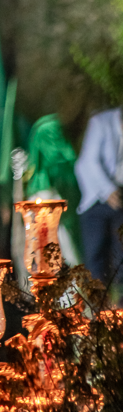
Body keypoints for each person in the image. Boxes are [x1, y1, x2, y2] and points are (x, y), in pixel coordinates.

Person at [75, 106, 123, 294]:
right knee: (95, 253)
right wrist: (108, 190)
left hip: (120, 198)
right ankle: (96, 304)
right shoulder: (100, 123)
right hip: (95, 199)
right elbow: (88, 162)